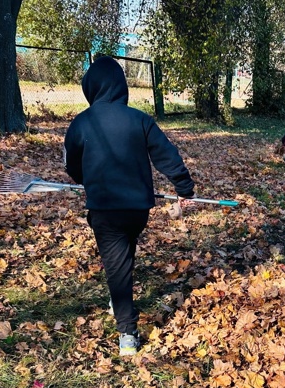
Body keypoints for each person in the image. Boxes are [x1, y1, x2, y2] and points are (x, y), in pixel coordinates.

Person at [64, 56, 195, 357]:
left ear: (91, 88)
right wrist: (184, 187)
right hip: (137, 211)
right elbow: (168, 156)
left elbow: (72, 165)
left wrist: (86, 179)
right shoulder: (140, 119)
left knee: (116, 267)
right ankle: (118, 297)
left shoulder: (81, 123)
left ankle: (127, 334)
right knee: (122, 256)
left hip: (106, 209)